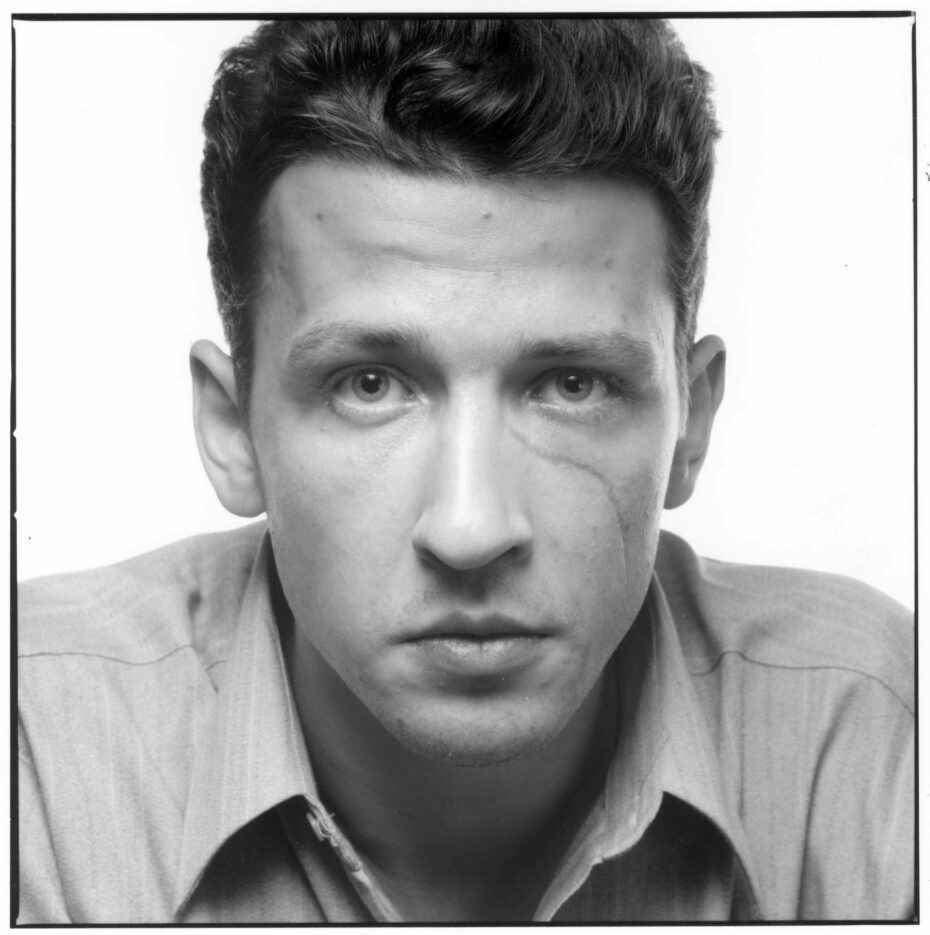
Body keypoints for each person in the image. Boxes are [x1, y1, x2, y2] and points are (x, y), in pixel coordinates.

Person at [17, 18, 913, 923]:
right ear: (231, 428)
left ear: (692, 422)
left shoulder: (873, 735)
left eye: (572, 385)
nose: (469, 529)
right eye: (369, 384)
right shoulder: (32, 749)